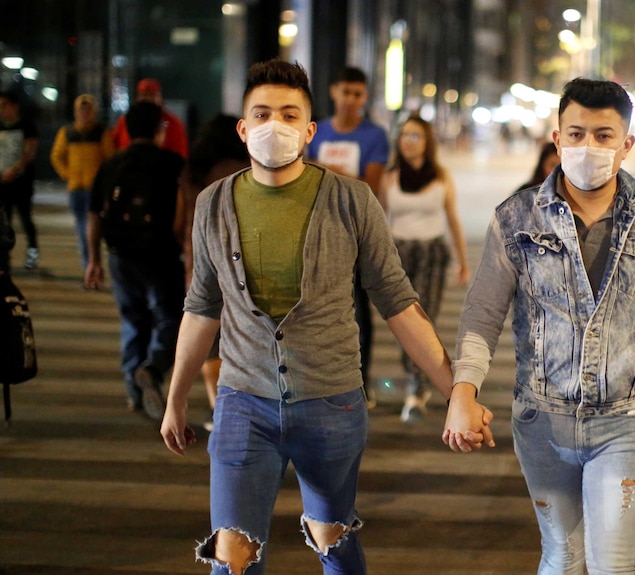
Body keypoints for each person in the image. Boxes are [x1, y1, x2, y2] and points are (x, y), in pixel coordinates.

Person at [159, 59, 491, 575]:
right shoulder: (214, 204)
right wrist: (177, 398)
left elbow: (398, 302)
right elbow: (202, 307)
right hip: (243, 404)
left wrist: (457, 393)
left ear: (309, 130)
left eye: (290, 115)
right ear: (243, 129)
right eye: (263, 114)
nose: (276, 125)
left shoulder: (351, 200)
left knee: (331, 538)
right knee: (231, 555)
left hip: (332, 406)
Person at [445, 77, 635, 573]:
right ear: (557, 139)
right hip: (541, 420)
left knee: (612, 564)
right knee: (562, 556)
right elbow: (482, 311)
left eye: (603, 135)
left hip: (625, 420)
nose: (588, 146)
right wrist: (464, 391)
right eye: (576, 133)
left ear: (626, 144)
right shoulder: (516, 218)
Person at [85, 101, 186, 421]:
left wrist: (93, 260)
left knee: (134, 322)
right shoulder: (174, 164)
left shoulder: (112, 164)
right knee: (171, 320)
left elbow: (94, 214)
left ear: (126, 130)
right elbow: (186, 210)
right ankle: (154, 368)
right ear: (160, 130)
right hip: (162, 254)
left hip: (121, 255)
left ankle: (134, 390)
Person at [306, 66, 390, 407]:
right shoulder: (319, 130)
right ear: (333, 92)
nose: (351, 100)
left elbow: (370, 186)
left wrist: (328, 173)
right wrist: (341, 175)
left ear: (364, 97)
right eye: (346, 92)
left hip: (355, 232)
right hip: (315, 229)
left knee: (357, 309)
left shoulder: (375, 136)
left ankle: (361, 380)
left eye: (358, 94)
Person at [380, 114, 470, 423]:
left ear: (427, 141)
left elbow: (453, 218)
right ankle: (415, 380)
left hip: (432, 253)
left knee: (423, 318)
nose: (409, 141)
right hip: (399, 253)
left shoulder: (441, 175)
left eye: (416, 135)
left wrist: (462, 261)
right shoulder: (389, 176)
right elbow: (380, 220)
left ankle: (416, 388)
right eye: (404, 135)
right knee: (403, 323)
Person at [177, 113, 250, 429]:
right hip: (241, 268)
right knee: (239, 341)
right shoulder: (246, 172)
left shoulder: (193, 174)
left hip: (200, 265)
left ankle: (216, 405)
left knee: (210, 339)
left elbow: (180, 223)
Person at [50, 93, 114, 269]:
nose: (85, 113)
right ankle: (90, 264)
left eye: (88, 110)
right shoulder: (67, 133)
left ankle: (91, 263)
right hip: (77, 187)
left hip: (96, 189)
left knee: (91, 229)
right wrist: (68, 174)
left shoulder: (102, 133)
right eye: (82, 110)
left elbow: (110, 159)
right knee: (82, 228)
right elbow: (57, 156)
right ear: (76, 112)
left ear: (94, 112)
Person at [0, 90, 40, 269]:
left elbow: (29, 152)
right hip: (2, 182)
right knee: (4, 220)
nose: (1, 110)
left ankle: (32, 252)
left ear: (14, 106)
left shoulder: (27, 126)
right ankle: (4, 257)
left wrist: (15, 170)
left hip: (21, 182)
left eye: (4, 105)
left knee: (25, 219)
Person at [112, 78, 189, 158]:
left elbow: (181, 154)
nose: (148, 99)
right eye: (144, 95)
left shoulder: (173, 123)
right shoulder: (125, 120)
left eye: (152, 95)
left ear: (160, 97)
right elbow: (114, 146)